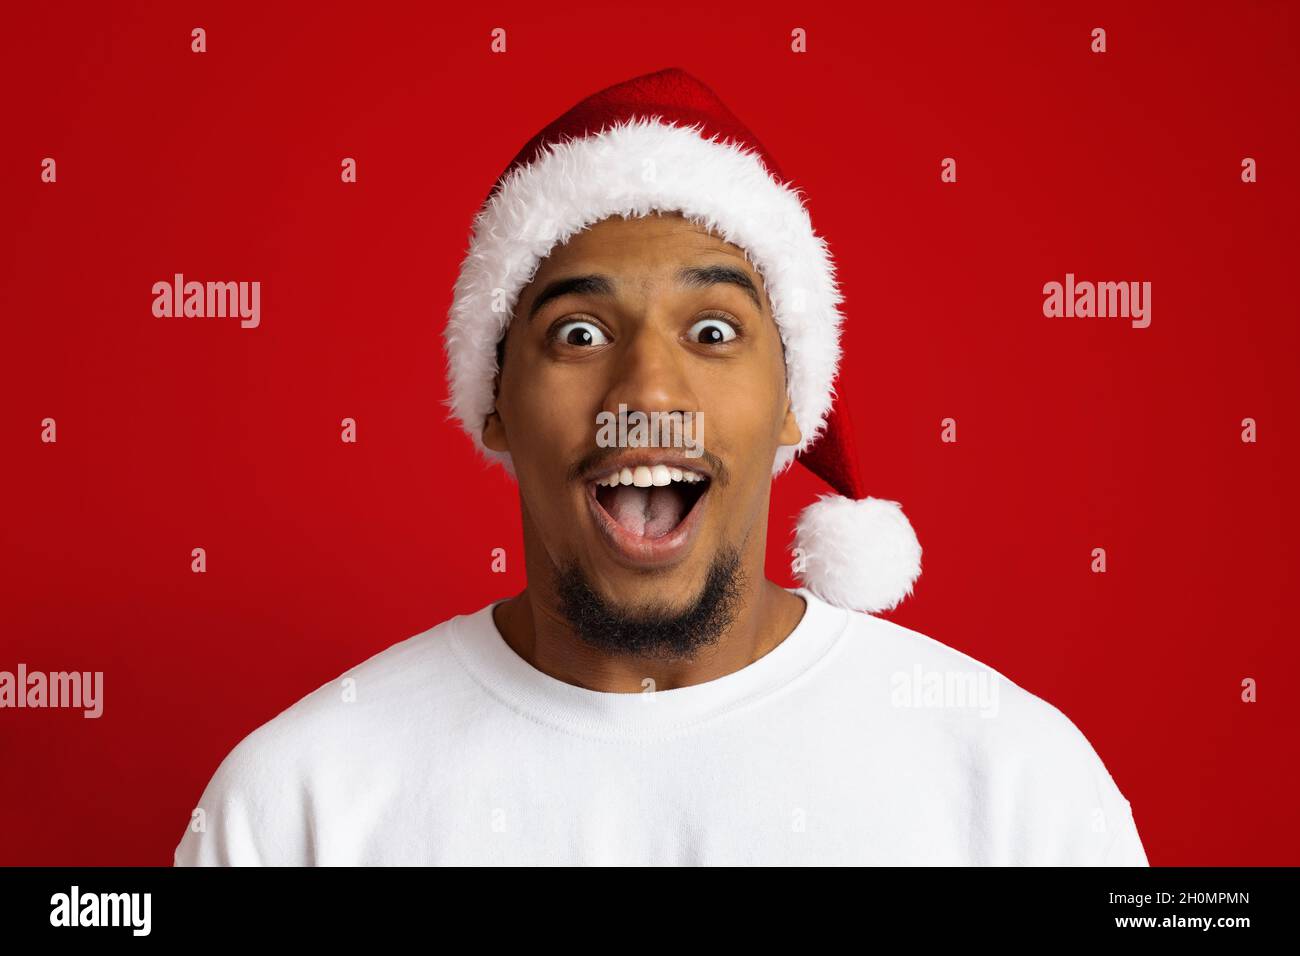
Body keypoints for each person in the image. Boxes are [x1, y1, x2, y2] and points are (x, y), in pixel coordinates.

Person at [174, 67, 1148, 866]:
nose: (647, 387)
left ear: (793, 404)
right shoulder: (294, 809)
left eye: (714, 328)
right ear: (494, 404)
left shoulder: (1014, 786)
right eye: (581, 331)